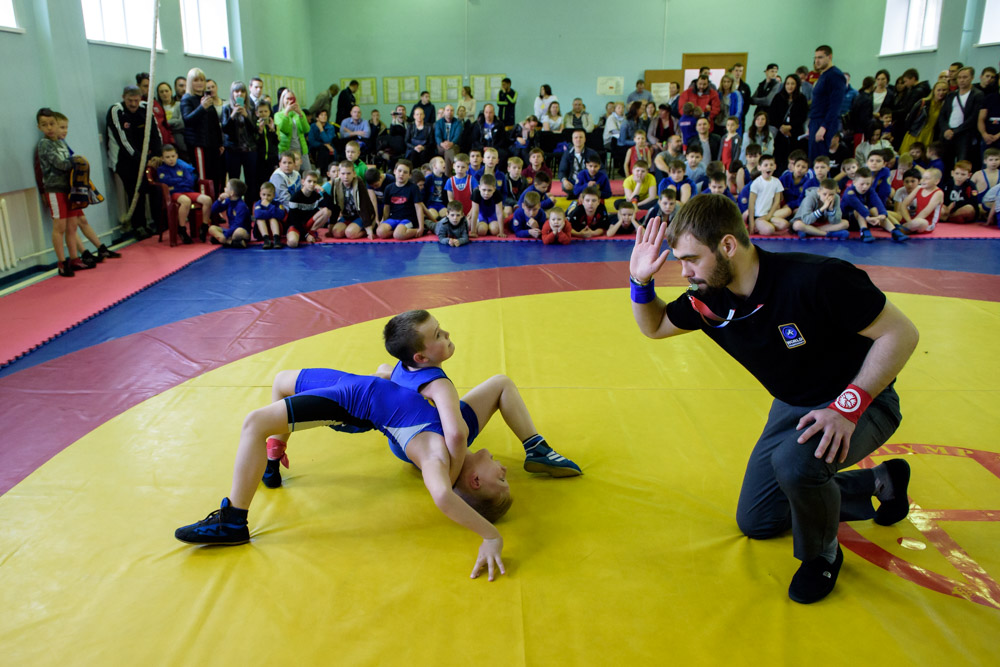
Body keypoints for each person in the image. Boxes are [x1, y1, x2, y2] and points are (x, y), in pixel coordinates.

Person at [628, 196, 918, 603]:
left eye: (691, 259)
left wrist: (846, 409)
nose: (685, 272)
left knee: (795, 466)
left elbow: (901, 334)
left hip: (863, 399)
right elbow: (655, 326)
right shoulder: (709, 297)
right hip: (795, 403)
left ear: (728, 245)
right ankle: (880, 482)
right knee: (758, 520)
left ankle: (821, 554)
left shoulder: (818, 279)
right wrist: (640, 282)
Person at [175, 367, 512, 581]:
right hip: (356, 383)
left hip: (352, 403)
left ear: (475, 481)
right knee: (280, 380)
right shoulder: (458, 434)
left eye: (501, 479)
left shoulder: (437, 455)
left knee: (255, 422)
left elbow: (441, 495)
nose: (505, 469)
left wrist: (491, 536)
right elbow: (492, 387)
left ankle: (233, 522)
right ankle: (272, 460)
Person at [106, 85, 163, 240]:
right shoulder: (117, 111)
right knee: (135, 192)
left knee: (155, 189)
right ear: (123, 98)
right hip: (125, 160)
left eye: (136, 100)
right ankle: (139, 226)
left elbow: (155, 133)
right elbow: (124, 141)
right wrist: (142, 160)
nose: (133, 104)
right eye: (130, 100)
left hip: (147, 159)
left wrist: (157, 155)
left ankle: (158, 222)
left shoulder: (145, 108)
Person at [156, 144, 212, 244]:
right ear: (162, 158)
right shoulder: (161, 170)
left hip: (188, 191)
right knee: (186, 201)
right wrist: (181, 181)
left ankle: (204, 227)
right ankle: (182, 229)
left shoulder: (182, 166)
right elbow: (166, 181)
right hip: (174, 193)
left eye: (173, 156)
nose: (171, 159)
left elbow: (190, 181)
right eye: (167, 157)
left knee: (207, 200)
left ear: (177, 156)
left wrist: (177, 182)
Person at [180, 68, 224, 194]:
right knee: (203, 176)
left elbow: (214, 122)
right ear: (190, 82)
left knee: (216, 175)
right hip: (198, 144)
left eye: (202, 80)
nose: (199, 83)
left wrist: (220, 143)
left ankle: (215, 202)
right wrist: (202, 107)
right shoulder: (187, 99)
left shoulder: (206, 97)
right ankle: (204, 202)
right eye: (196, 80)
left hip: (212, 144)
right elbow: (188, 120)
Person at [938, 67, 984, 170]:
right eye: (959, 77)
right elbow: (942, 115)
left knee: (962, 163)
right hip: (948, 133)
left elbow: (973, 117)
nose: (962, 80)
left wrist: (955, 131)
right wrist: (945, 129)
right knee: (945, 162)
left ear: (972, 78)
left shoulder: (977, 95)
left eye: (965, 77)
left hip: (964, 134)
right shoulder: (951, 95)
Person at [221, 81, 259, 199]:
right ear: (232, 93)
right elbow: (225, 129)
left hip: (249, 149)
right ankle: (234, 204)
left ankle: (249, 205)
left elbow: (255, 129)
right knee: (234, 180)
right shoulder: (226, 108)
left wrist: (246, 116)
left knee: (251, 179)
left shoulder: (251, 108)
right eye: (236, 91)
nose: (239, 94)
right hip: (233, 150)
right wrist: (233, 115)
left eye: (242, 91)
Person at [807, 46, 846, 160]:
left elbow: (835, 105)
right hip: (816, 121)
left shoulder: (835, 75)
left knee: (819, 161)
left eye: (820, 57)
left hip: (824, 122)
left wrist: (824, 127)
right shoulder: (823, 75)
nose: (817, 61)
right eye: (815, 58)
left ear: (829, 57)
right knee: (813, 159)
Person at [327, 160, 377, 239]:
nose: (346, 177)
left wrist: (369, 230)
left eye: (348, 173)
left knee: (350, 234)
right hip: (347, 216)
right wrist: (331, 225)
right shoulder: (336, 183)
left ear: (354, 173)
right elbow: (335, 205)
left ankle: (363, 231)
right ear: (339, 173)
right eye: (343, 173)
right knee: (336, 233)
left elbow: (364, 207)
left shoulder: (358, 183)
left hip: (360, 216)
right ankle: (351, 227)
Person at [770, 74, 809, 167]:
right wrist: (781, 127)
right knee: (780, 159)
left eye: (792, 84)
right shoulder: (778, 97)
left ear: (797, 85)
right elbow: (772, 115)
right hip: (780, 133)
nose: (789, 86)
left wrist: (790, 127)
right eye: (787, 83)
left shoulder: (801, 98)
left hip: (795, 133)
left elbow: (803, 116)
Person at [379, 159, 424, 239]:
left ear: (410, 175)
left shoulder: (413, 188)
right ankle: (398, 232)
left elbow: (419, 208)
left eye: (405, 172)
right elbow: (386, 207)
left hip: (408, 219)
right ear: (394, 171)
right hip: (394, 218)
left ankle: (414, 231)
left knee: (398, 234)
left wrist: (421, 227)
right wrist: (384, 221)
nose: (401, 174)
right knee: (380, 232)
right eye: (399, 171)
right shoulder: (388, 188)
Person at [207, 178, 252, 248]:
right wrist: (219, 200)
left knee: (238, 232)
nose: (224, 189)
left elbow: (238, 224)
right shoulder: (228, 201)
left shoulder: (241, 206)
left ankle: (222, 240)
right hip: (231, 230)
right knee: (211, 228)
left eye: (226, 187)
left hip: (241, 231)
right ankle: (230, 242)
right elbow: (214, 210)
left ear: (232, 193)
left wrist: (225, 235)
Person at [900, 168, 944, 233]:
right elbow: (904, 204)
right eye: (922, 178)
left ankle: (902, 229)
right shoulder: (918, 188)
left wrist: (912, 223)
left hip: (927, 224)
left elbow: (925, 212)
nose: (923, 180)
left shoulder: (938, 193)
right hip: (913, 220)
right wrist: (909, 221)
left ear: (936, 181)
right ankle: (906, 228)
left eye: (927, 178)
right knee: (888, 214)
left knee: (920, 222)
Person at [558, 129, 599, 193]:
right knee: (564, 186)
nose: (578, 139)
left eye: (581, 137)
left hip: (587, 181)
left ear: (585, 139)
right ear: (572, 139)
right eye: (576, 137)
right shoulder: (567, 153)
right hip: (572, 181)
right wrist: (564, 181)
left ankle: (579, 192)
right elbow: (562, 170)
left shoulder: (592, 153)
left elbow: (600, 169)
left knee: (594, 186)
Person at [253, 182, 286, 249]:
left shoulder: (277, 204)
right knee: (260, 219)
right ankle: (266, 240)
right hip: (260, 233)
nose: (266, 198)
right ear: (260, 194)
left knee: (273, 219)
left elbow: (281, 215)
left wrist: (269, 205)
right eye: (263, 195)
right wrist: (272, 213)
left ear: (273, 195)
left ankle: (276, 240)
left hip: (276, 231)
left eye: (269, 195)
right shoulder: (258, 204)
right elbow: (257, 215)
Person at [434, 104, 463, 174]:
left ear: (454, 112)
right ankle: (457, 167)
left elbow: (457, 136)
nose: (449, 112)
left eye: (451, 110)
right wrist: (441, 143)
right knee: (449, 151)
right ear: (444, 112)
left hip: (454, 145)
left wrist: (451, 143)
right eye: (448, 110)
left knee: (448, 151)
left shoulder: (458, 122)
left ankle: (447, 175)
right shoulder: (439, 122)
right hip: (441, 145)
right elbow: (437, 135)